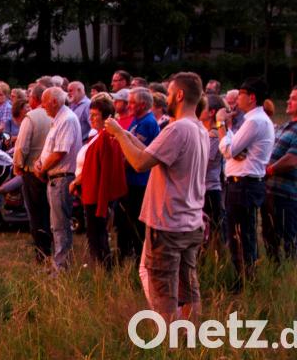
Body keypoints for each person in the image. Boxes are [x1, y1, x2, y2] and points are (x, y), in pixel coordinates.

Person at [105, 71, 209, 322]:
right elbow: (153, 156)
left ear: (180, 95)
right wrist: (126, 135)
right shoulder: (198, 129)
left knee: (161, 288)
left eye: (170, 93)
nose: (165, 98)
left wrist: (119, 134)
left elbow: (140, 163)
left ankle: (169, 342)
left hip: (168, 223)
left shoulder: (177, 129)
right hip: (189, 222)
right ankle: (188, 336)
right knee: (188, 289)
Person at [218, 77, 274, 286]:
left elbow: (229, 150)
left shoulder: (254, 121)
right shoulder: (255, 119)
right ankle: (245, 278)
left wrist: (220, 123)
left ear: (251, 97)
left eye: (240, 94)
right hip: (246, 183)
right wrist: (230, 130)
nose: (236, 98)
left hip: (243, 185)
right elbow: (235, 148)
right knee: (243, 234)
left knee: (240, 235)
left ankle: (245, 282)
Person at [261, 84, 297, 263]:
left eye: (293, 98)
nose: (288, 101)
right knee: (270, 238)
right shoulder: (285, 126)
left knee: (289, 241)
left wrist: (268, 170)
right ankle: (276, 276)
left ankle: (295, 279)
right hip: (270, 192)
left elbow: (293, 159)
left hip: (288, 195)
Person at [70, 95, 127, 270]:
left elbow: (105, 174)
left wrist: (102, 205)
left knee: (97, 234)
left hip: (97, 195)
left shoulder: (106, 138)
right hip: (89, 191)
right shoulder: (98, 135)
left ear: (106, 117)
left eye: (95, 115)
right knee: (93, 233)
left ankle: (104, 269)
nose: (91, 118)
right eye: (91, 114)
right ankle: (101, 266)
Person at [35, 87, 82, 272]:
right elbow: (50, 149)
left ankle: (62, 267)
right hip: (54, 178)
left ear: (54, 101)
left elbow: (60, 152)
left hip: (61, 178)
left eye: (44, 101)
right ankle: (57, 264)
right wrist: (39, 163)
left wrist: (43, 168)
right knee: (56, 225)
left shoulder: (67, 119)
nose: (42, 105)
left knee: (60, 226)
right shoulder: (58, 119)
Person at [115, 88, 160, 262]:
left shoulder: (147, 123)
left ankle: (139, 259)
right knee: (124, 222)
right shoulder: (137, 120)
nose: (129, 105)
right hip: (129, 180)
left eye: (132, 102)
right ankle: (124, 255)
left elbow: (137, 154)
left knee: (136, 223)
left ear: (142, 104)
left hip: (138, 181)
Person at [13, 84, 53, 263]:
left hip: (33, 171)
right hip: (53, 170)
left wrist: (18, 165)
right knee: (50, 210)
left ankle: (42, 251)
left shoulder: (32, 117)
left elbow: (22, 146)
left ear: (35, 99)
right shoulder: (58, 115)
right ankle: (52, 244)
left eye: (29, 96)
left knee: (36, 212)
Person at [199, 95, 226, 245]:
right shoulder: (205, 133)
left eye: (202, 107)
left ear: (211, 112)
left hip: (209, 190)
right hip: (204, 189)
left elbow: (203, 164)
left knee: (212, 235)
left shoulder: (213, 136)